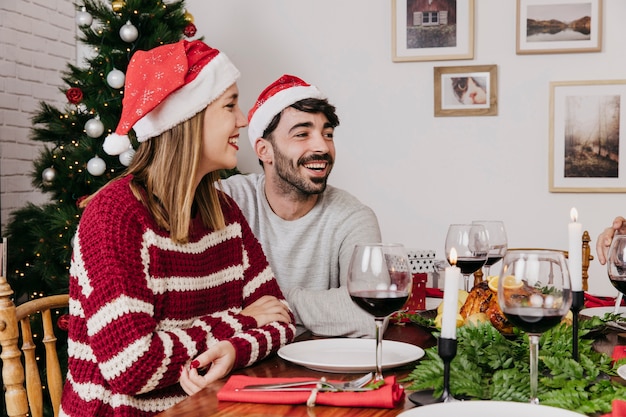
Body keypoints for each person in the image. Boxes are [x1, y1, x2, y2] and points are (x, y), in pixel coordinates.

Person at [59, 40, 295, 417]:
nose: (243, 120)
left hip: (206, 409)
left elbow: (281, 317)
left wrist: (233, 350)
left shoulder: (223, 211)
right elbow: (133, 366)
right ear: (189, 117)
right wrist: (242, 321)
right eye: (230, 105)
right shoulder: (114, 217)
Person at [220, 74, 382, 338]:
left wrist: (274, 302)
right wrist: (326, 307)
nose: (322, 146)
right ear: (264, 150)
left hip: (320, 369)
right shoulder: (228, 200)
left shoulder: (354, 217)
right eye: (302, 134)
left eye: (327, 134)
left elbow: (371, 313)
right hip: (239, 365)